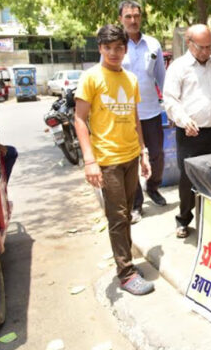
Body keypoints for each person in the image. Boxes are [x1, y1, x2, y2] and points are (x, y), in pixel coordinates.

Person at [74, 24, 154, 296]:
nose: (114, 53)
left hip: (131, 155)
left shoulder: (130, 79)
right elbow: (79, 119)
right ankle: (126, 273)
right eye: (108, 47)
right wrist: (89, 160)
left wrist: (143, 152)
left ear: (125, 49)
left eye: (119, 47)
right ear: (100, 48)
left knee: (128, 211)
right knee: (117, 216)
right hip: (107, 159)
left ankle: (127, 263)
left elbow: (134, 118)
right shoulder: (91, 78)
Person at [163, 24, 211, 239]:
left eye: (209, 46)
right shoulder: (178, 67)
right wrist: (183, 119)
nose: (206, 52)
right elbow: (170, 100)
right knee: (187, 178)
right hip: (189, 134)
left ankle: (209, 220)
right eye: (201, 47)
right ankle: (183, 218)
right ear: (189, 44)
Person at [118, 0, 168, 224]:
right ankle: (136, 203)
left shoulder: (153, 44)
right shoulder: (116, 45)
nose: (133, 20)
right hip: (124, 114)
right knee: (131, 160)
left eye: (136, 16)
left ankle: (153, 187)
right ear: (121, 19)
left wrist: (170, 104)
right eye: (128, 16)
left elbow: (162, 78)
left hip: (150, 111)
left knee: (157, 155)